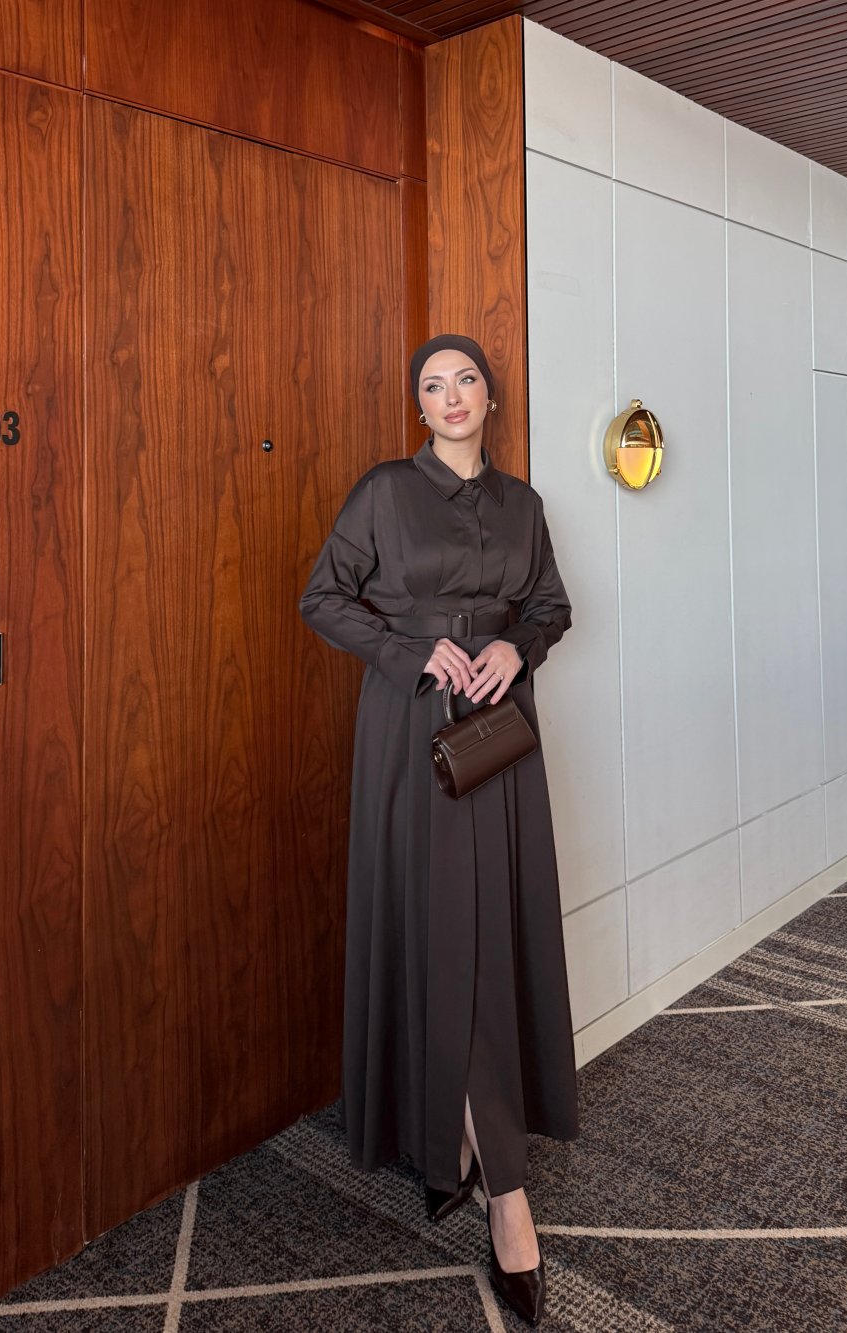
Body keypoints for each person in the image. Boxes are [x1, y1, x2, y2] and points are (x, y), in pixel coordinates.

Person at [299, 334, 578, 1326]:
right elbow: (321, 598)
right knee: (441, 934)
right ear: (418, 406)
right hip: (411, 731)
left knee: (486, 938)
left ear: (489, 398)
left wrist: (516, 646)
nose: (450, 395)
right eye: (432, 384)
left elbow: (551, 606)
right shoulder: (384, 491)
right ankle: (507, 1194)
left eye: (465, 380)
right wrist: (410, 651)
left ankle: (453, 1146)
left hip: (499, 734)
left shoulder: (524, 505)